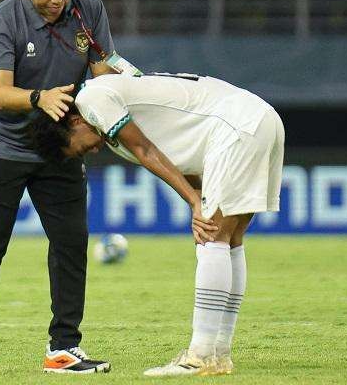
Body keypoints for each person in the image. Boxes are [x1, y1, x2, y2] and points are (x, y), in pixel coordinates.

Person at [30, 72, 285, 377]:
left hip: (237, 127)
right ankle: (219, 354)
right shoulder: (110, 119)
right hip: (257, 119)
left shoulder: (90, 99)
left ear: (73, 122)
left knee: (211, 238)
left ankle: (200, 355)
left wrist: (194, 202)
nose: (92, 150)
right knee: (229, 239)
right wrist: (198, 194)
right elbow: (171, 156)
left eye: (81, 148)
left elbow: (146, 150)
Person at [0, 0, 121, 375]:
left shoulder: (90, 11)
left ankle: (64, 348)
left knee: (71, 243)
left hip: (59, 147)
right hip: (3, 145)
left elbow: (104, 71)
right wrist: (39, 97)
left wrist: (109, 87)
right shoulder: (2, 20)